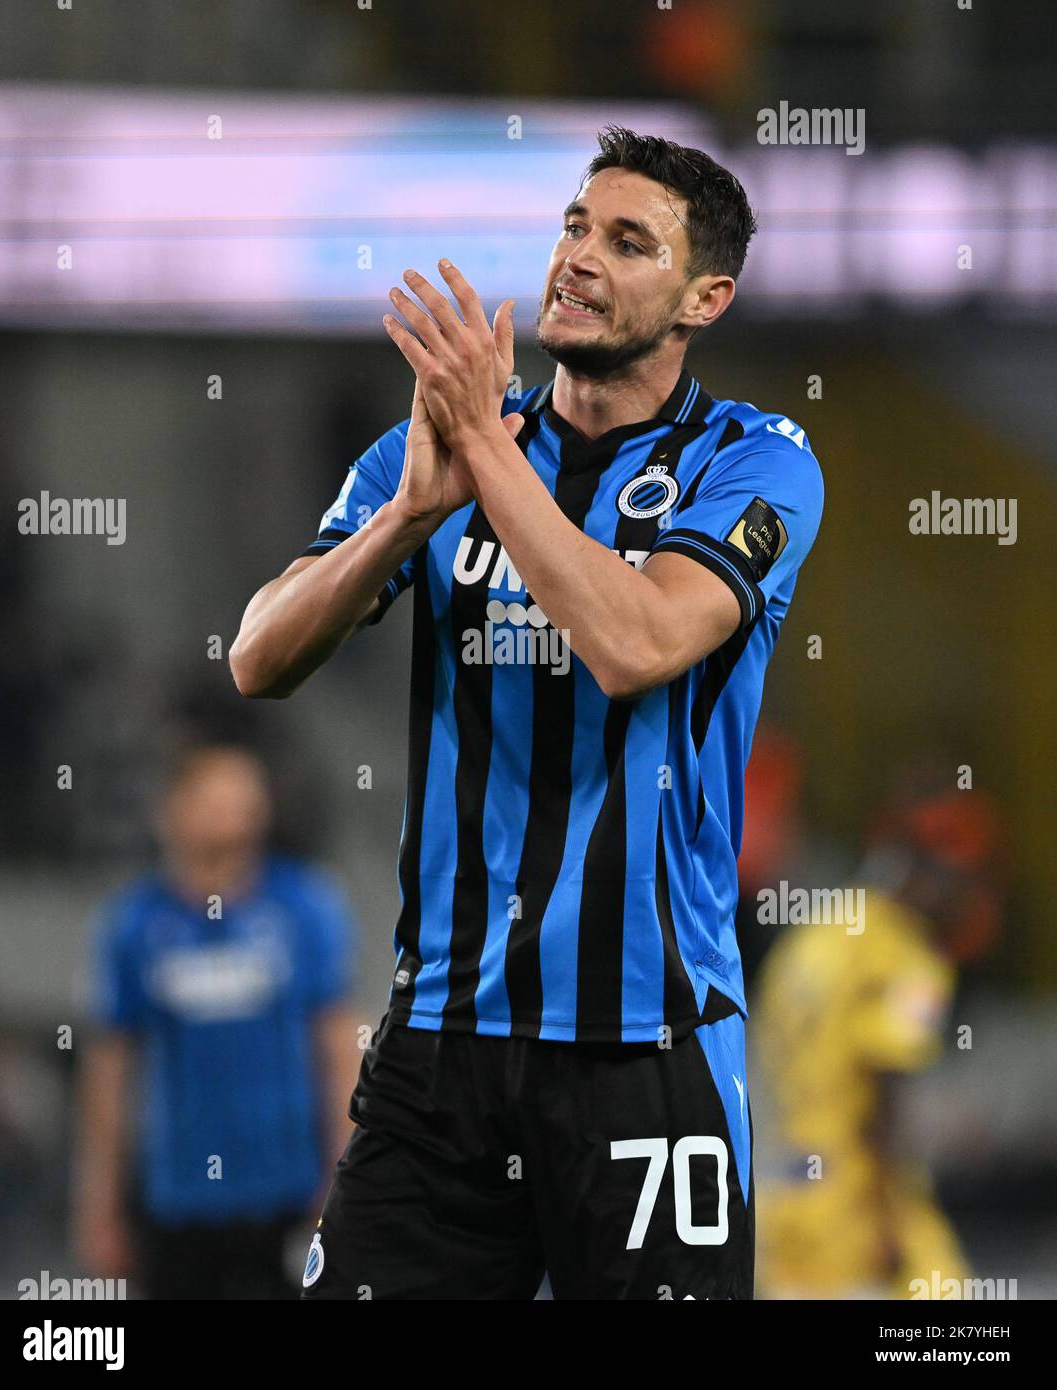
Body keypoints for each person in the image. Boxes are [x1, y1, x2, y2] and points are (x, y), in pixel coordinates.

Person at [231, 125, 824, 1300]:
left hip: (646, 1043)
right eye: (571, 226)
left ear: (707, 294)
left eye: (626, 240)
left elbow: (638, 642)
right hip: (443, 1039)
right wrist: (406, 516)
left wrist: (483, 466)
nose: (579, 258)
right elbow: (257, 657)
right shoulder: (440, 455)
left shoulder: (754, 461)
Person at [72, 744, 359, 1299]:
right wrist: (97, 1208)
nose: (238, 809)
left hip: (286, 1195)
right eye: (215, 795)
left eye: (247, 794)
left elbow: (339, 1049)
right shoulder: (133, 925)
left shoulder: (305, 909)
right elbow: (108, 1074)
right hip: (177, 1203)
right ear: (171, 810)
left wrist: (345, 1177)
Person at [753, 785, 1002, 1298]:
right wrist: (889, 1219)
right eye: (962, 878)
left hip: (785, 1190)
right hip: (856, 1202)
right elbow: (887, 1090)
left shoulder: (819, 930)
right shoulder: (903, 952)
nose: (966, 897)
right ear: (924, 871)